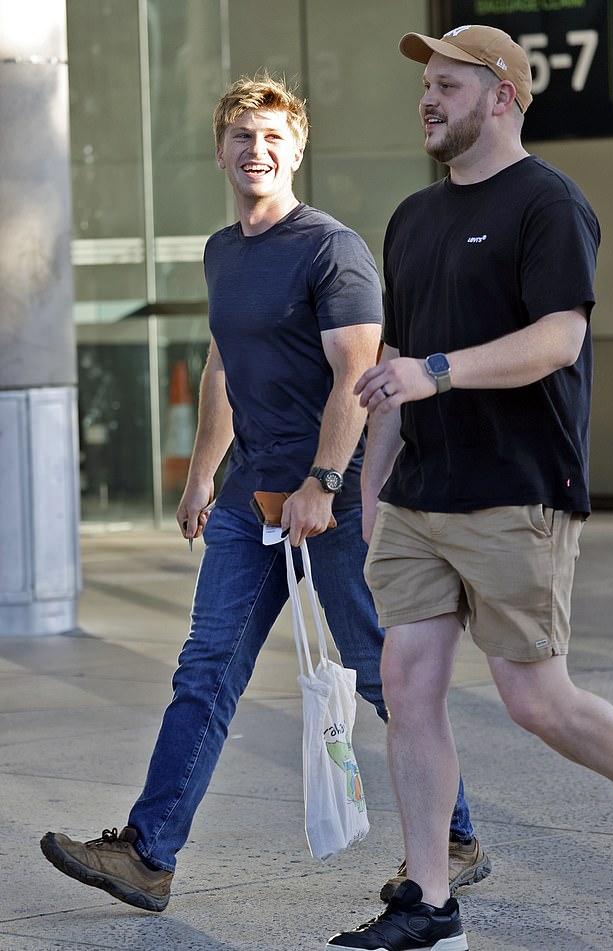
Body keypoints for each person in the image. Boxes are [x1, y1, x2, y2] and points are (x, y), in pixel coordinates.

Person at [40, 73, 489, 914]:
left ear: (298, 150)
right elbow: (220, 366)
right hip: (251, 500)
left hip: (337, 497)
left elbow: (355, 370)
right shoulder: (222, 251)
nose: (258, 150)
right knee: (205, 669)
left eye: (274, 137)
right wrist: (204, 470)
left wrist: (324, 480)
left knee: (380, 672)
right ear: (220, 150)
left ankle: (455, 837)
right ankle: (148, 852)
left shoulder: (330, 247)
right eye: (243, 136)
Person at [326, 24, 613, 951]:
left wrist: (440, 371)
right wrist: (369, 495)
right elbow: (390, 376)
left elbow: (559, 340)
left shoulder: (550, 203)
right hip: (420, 497)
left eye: (450, 85)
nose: (430, 99)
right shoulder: (413, 219)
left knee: (538, 701)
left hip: (517, 489)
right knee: (407, 682)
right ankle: (428, 899)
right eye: (427, 86)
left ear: (503, 96)